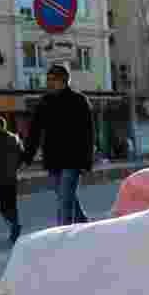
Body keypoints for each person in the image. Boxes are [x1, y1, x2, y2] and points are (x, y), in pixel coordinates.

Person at [23, 64, 95, 226]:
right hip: (53, 161)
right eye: (47, 79)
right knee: (66, 197)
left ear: (64, 81)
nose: (48, 83)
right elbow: (34, 131)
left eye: (52, 79)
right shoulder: (45, 102)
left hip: (73, 160)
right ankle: (84, 224)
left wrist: (87, 161)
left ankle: (62, 238)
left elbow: (88, 133)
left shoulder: (79, 100)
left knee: (64, 203)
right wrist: (27, 157)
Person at [0, 117, 23, 244]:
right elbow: (21, 156)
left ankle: (15, 227)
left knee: (5, 207)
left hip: (2, 179)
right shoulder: (13, 139)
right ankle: (15, 226)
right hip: (10, 178)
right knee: (9, 206)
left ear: (0, 126)